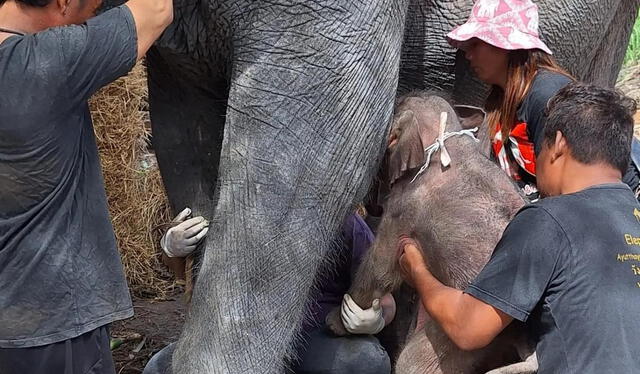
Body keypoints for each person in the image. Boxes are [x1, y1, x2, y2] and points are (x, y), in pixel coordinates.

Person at [398, 82, 640, 373]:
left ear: (559, 144)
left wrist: (416, 268)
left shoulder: (548, 220)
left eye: (538, 144)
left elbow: (467, 328)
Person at [0, 0, 173, 371]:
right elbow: (157, 9)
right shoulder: (47, 63)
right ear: (62, 3)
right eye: (94, 7)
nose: (95, 16)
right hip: (53, 327)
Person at [143, 212, 395, 374]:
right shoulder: (235, 206)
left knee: (367, 361)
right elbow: (183, 274)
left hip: (313, 336)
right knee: (157, 369)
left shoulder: (345, 221)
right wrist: (171, 248)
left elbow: (384, 297)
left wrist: (375, 320)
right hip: (239, 334)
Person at [446, 0, 640, 202]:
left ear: (506, 47)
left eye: (476, 44)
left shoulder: (546, 96)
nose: (468, 55)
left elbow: (568, 186)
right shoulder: (501, 99)